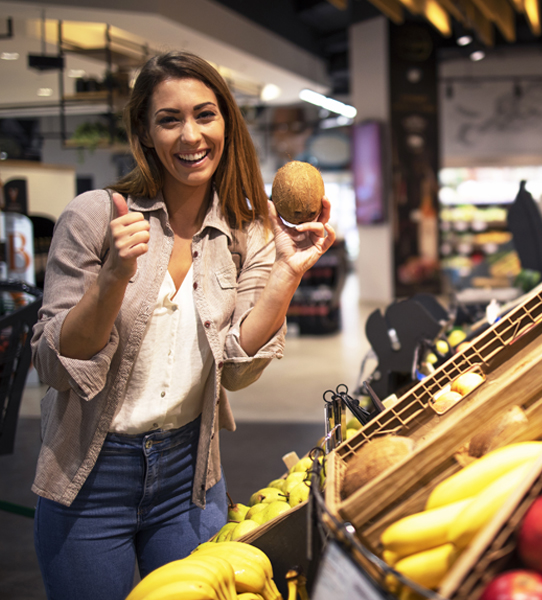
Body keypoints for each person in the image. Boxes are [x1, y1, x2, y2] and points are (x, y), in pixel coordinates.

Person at [30, 51, 335, 600]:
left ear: (226, 124)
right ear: (145, 133)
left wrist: (287, 271)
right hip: (90, 480)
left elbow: (237, 371)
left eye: (204, 115)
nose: (190, 135)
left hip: (190, 478)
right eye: (169, 119)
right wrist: (113, 280)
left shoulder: (246, 232)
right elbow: (54, 365)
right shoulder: (97, 217)